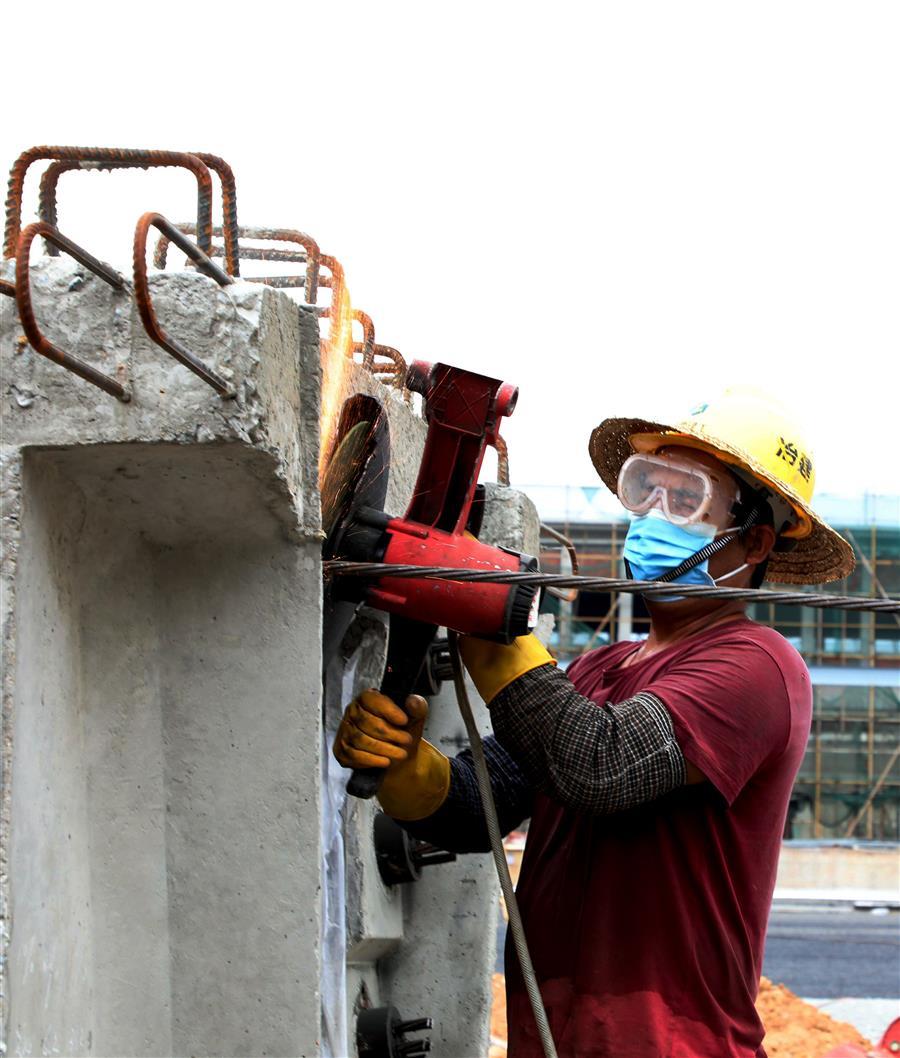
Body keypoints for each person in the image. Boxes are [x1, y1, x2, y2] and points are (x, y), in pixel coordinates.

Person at [333, 387, 855, 1058]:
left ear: (754, 538)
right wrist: (411, 770)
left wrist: (500, 629)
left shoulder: (756, 666)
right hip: (558, 1039)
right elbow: (481, 805)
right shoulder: (598, 670)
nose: (652, 515)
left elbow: (601, 765)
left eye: (685, 498)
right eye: (645, 490)